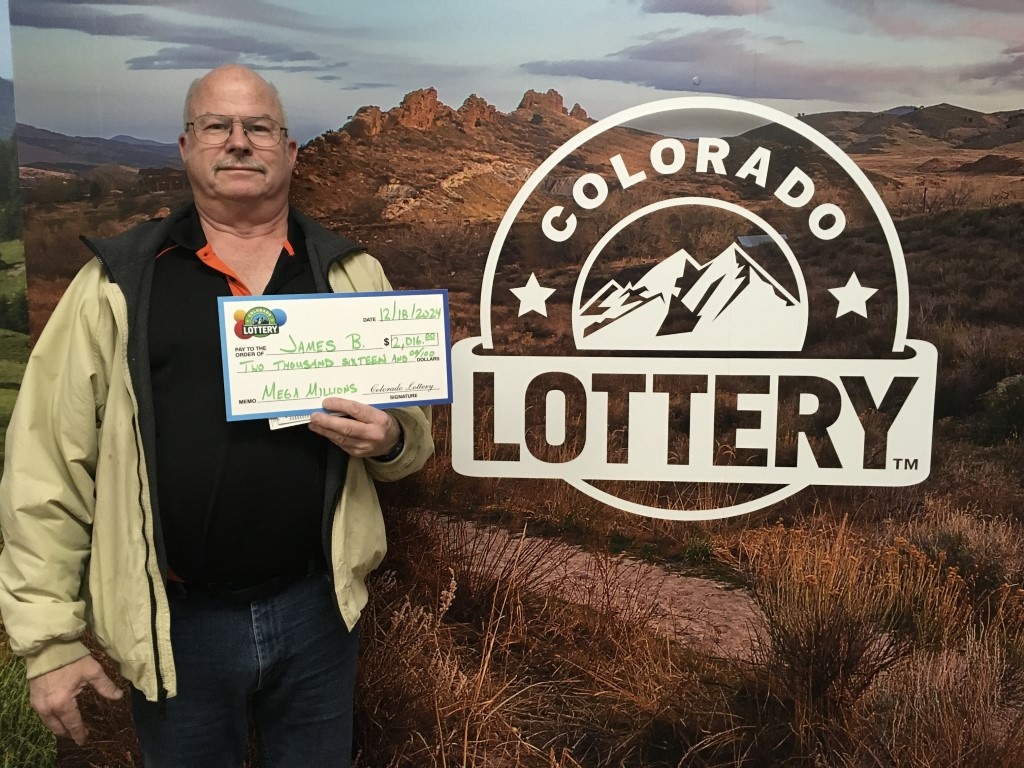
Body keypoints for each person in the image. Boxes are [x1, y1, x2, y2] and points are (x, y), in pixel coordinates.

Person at [0, 64, 433, 767]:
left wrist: (388, 439)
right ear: (186, 146)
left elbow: (409, 439)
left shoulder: (350, 275)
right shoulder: (117, 285)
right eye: (217, 126)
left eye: (258, 127)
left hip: (319, 615)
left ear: (289, 151)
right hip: (176, 624)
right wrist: (48, 640)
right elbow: (46, 464)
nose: (238, 141)